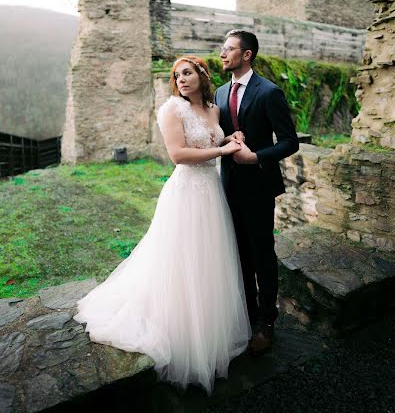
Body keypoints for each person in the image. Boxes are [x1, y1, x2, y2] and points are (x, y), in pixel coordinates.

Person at [73, 55, 251, 395]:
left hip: (212, 193)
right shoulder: (173, 109)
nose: (181, 79)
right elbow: (178, 154)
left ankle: (209, 331)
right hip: (186, 191)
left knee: (207, 260)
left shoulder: (214, 110)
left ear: (201, 74)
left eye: (187, 72)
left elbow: (218, 139)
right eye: (176, 75)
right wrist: (224, 151)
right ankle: (179, 332)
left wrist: (232, 137)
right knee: (179, 260)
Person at [214, 30, 299, 355]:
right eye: (223, 49)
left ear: (246, 54)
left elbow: (289, 141)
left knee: (263, 255)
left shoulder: (269, 92)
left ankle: (267, 322)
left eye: (229, 49)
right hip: (226, 188)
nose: (223, 54)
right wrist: (223, 142)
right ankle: (248, 316)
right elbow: (220, 136)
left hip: (259, 187)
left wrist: (256, 156)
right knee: (239, 255)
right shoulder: (221, 93)